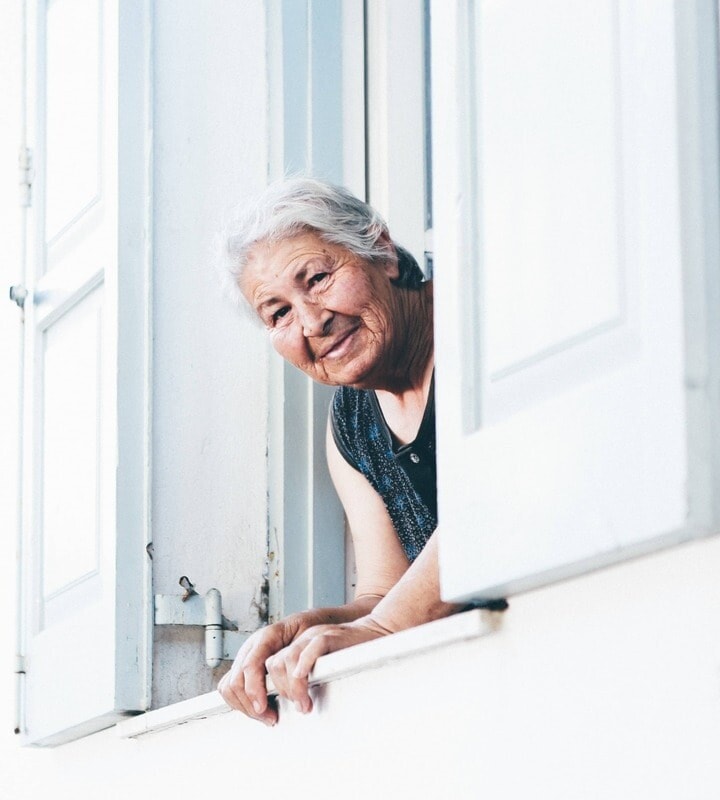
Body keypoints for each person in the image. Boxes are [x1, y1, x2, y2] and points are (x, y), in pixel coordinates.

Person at [217, 178, 460, 725]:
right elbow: (384, 593)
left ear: (382, 251)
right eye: (277, 313)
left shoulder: (480, 325)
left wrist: (382, 630)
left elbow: (502, 493)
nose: (311, 322)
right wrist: (292, 634)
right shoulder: (351, 425)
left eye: (319, 278)